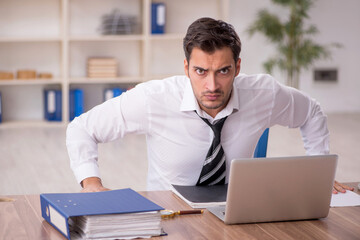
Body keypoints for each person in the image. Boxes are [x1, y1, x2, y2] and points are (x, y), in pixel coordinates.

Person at [66, 17, 353, 194]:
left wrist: (320, 173)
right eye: (201, 71)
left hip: (240, 214)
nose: (212, 86)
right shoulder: (153, 99)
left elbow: (311, 112)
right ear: (186, 67)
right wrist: (91, 184)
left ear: (238, 67)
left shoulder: (263, 93)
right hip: (170, 217)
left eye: (223, 71)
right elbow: (82, 128)